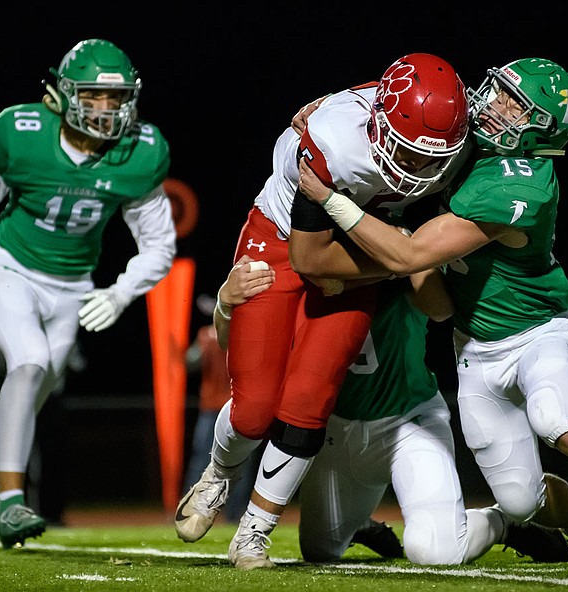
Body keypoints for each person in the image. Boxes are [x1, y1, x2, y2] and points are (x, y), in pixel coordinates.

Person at [298, 57, 568, 568]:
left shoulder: (520, 184)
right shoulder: (479, 130)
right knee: (520, 501)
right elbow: (405, 99)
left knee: (556, 420)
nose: (494, 104)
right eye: (501, 90)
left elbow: (410, 255)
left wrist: (329, 199)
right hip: (474, 346)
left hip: (537, 331)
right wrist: (336, 114)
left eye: (515, 104)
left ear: (538, 132)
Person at [174, 53, 471, 569]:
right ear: (379, 124)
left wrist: (395, 256)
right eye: (409, 152)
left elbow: (387, 86)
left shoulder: (430, 130)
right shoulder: (333, 146)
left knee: (310, 399)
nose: (420, 169)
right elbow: (311, 261)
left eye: (433, 157)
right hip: (285, 240)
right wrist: (398, 257)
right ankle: (217, 476)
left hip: (359, 249)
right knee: (254, 409)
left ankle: (254, 534)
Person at [0, 38, 176, 551]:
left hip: (72, 287)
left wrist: (123, 292)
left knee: (31, 396)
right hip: (7, 267)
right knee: (29, 361)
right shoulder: (24, 138)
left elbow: (159, 245)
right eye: (93, 95)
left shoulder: (138, 155)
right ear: (61, 95)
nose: (106, 109)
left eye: (116, 97)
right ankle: (13, 501)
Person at [214, 256, 568, 565]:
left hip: (406, 425)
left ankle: (505, 522)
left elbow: (440, 307)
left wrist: (406, 256)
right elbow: (244, 353)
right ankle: (357, 523)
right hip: (332, 433)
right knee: (319, 550)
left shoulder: (399, 263)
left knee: (436, 552)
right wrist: (226, 305)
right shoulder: (297, 274)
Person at [0, 342, 87, 526]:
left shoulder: (63, 326)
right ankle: (8, 510)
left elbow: (77, 363)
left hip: (52, 401)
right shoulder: (20, 322)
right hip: (22, 396)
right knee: (15, 455)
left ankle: (51, 514)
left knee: (53, 458)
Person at [182, 294, 259, 523]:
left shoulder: (206, 335)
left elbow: (190, 362)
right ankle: (234, 514)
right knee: (241, 460)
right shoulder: (246, 333)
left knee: (201, 459)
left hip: (215, 407)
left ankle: (191, 509)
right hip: (237, 406)